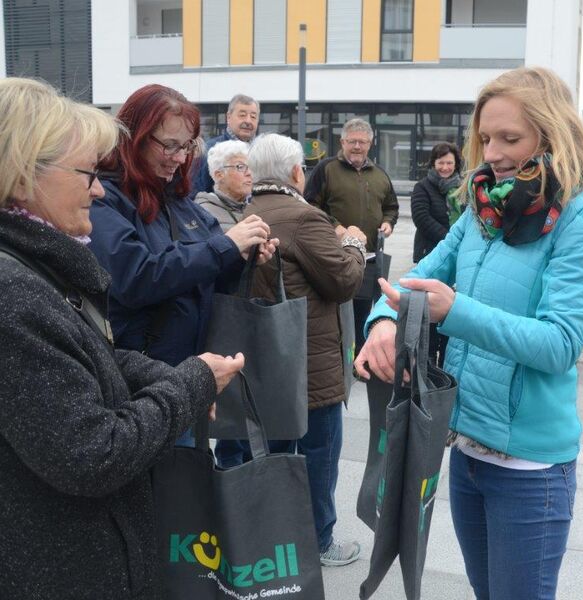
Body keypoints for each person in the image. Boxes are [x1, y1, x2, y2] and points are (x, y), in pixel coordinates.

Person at [356, 67, 583, 600]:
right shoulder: (482, 208)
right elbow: (420, 278)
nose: (491, 153)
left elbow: (560, 345)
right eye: (486, 137)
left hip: (530, 469)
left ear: (552, 133)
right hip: (467, 452)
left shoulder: (582, 217)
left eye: (509, 138)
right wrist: (381, 321)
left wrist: (456, 311)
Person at [0, 77, 244, 600]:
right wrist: (187, 385)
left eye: (188, 147)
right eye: (87, 172)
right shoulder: (15, 291)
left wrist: (185, 378)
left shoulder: (33, 269)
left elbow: (91, 358)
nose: (95, 187)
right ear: (24, 175)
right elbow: (93, 453)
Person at [88, 84, 276, 446]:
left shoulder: (179, 200)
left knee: (183, 494)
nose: (179, 156)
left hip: (187, 380)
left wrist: (241, 258)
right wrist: (224, 247)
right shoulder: (105, 200)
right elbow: (134, 277)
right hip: (137, 386)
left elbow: (205, 284)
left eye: (187, 146)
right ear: (134, 137)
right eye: (169, 145)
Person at [223, 133, 367, 567]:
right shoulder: (305, 219)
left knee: (269, 454)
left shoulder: (247, 213)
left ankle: (266, 536)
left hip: (262, 361)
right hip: (310, 364)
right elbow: (343, 281)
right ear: (295, 172)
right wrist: (355, 243)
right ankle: (319, 540)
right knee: (318, 457)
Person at [304, 117, 398, 356]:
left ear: (370, 144)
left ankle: (357, 359)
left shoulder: (380, 174)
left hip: (369, 259)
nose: (357, 147)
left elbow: (391, 206)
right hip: (334, 255)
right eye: (352, 141)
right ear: (342, 141)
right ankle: (333, 357)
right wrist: (335, 226)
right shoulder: (325, 169)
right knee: (334, 310)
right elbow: (310, 205)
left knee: (363, 310)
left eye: (363, 142)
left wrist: (388, 222)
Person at [410, 141, 463, 366]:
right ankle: (428, 360)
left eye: (449, 162)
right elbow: (421, 219)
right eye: (441, 162)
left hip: (457, 261)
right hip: (430, 254)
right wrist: (451, 240)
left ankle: (446, 361)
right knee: (429, 310)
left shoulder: (462, 187)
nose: (445, 167)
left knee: (451, 306)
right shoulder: (423, 187)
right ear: (433, 163)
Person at [191, 93, 260, 195]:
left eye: (253, 116)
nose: (248, 121)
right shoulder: (210, 151)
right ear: (228, 117)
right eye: (242, 115)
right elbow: (195, 193)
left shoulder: (261, 153)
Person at [194, 139, 251, 231]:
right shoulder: (202, 213)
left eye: (251, 167)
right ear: (219, 175)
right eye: (241, 167)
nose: (249, 173)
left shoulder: (254, 209)